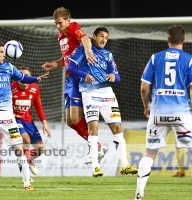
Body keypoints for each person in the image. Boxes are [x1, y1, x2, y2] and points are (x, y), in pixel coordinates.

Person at [67, 26, 138, 177]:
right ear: (94, 36)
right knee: (94, 128)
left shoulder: (108, 54)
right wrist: (84, 74)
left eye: (106, 37)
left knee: (117, 128)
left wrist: (113, 76)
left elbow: (117, 76)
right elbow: (70, 66)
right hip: (89, 93)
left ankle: (124, 164)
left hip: (107, 94)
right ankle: (95, 166)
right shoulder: (83, 49)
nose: (104, 39)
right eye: (101, 36)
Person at [41, 7, 107, 164]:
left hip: (79, 78)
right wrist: (54, 64)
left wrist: (89, 52)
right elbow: (66, 58)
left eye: (60, 23)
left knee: (75, 117)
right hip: (70, 80)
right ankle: (97, 146)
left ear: (68, 20)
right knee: (70, 121)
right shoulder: (60, 36)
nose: (58, 26)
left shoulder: (73, 27)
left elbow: (85, 39)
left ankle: (96, 146)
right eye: (56, 23)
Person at [134, 25, 192, 200]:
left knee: (150, 152)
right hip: (181, 112)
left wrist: (146, 106)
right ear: (184, 40)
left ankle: (139, 194)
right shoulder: (189, 60)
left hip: (158, 113)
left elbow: (144, 87)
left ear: (167, 40)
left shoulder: (155, 58)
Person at [0, 40, 49, 191]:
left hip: (8, 118)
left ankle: (27, 184)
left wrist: (37, 78)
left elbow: (23, 78)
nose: (3, 55)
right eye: (1, 52)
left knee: (18, 149)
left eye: (4, 52)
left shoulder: (8, 67)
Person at [11, 66, 51, 180]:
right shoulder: (11, 87)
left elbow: (38, 106)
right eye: (22, 76)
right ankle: (26, 163)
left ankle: (24, 161)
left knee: (41, 149)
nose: (24, 78)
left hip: (28, 121)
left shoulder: (35, 88)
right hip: (15, 120)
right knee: (26, 139)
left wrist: (45, 124)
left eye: (27, 76)